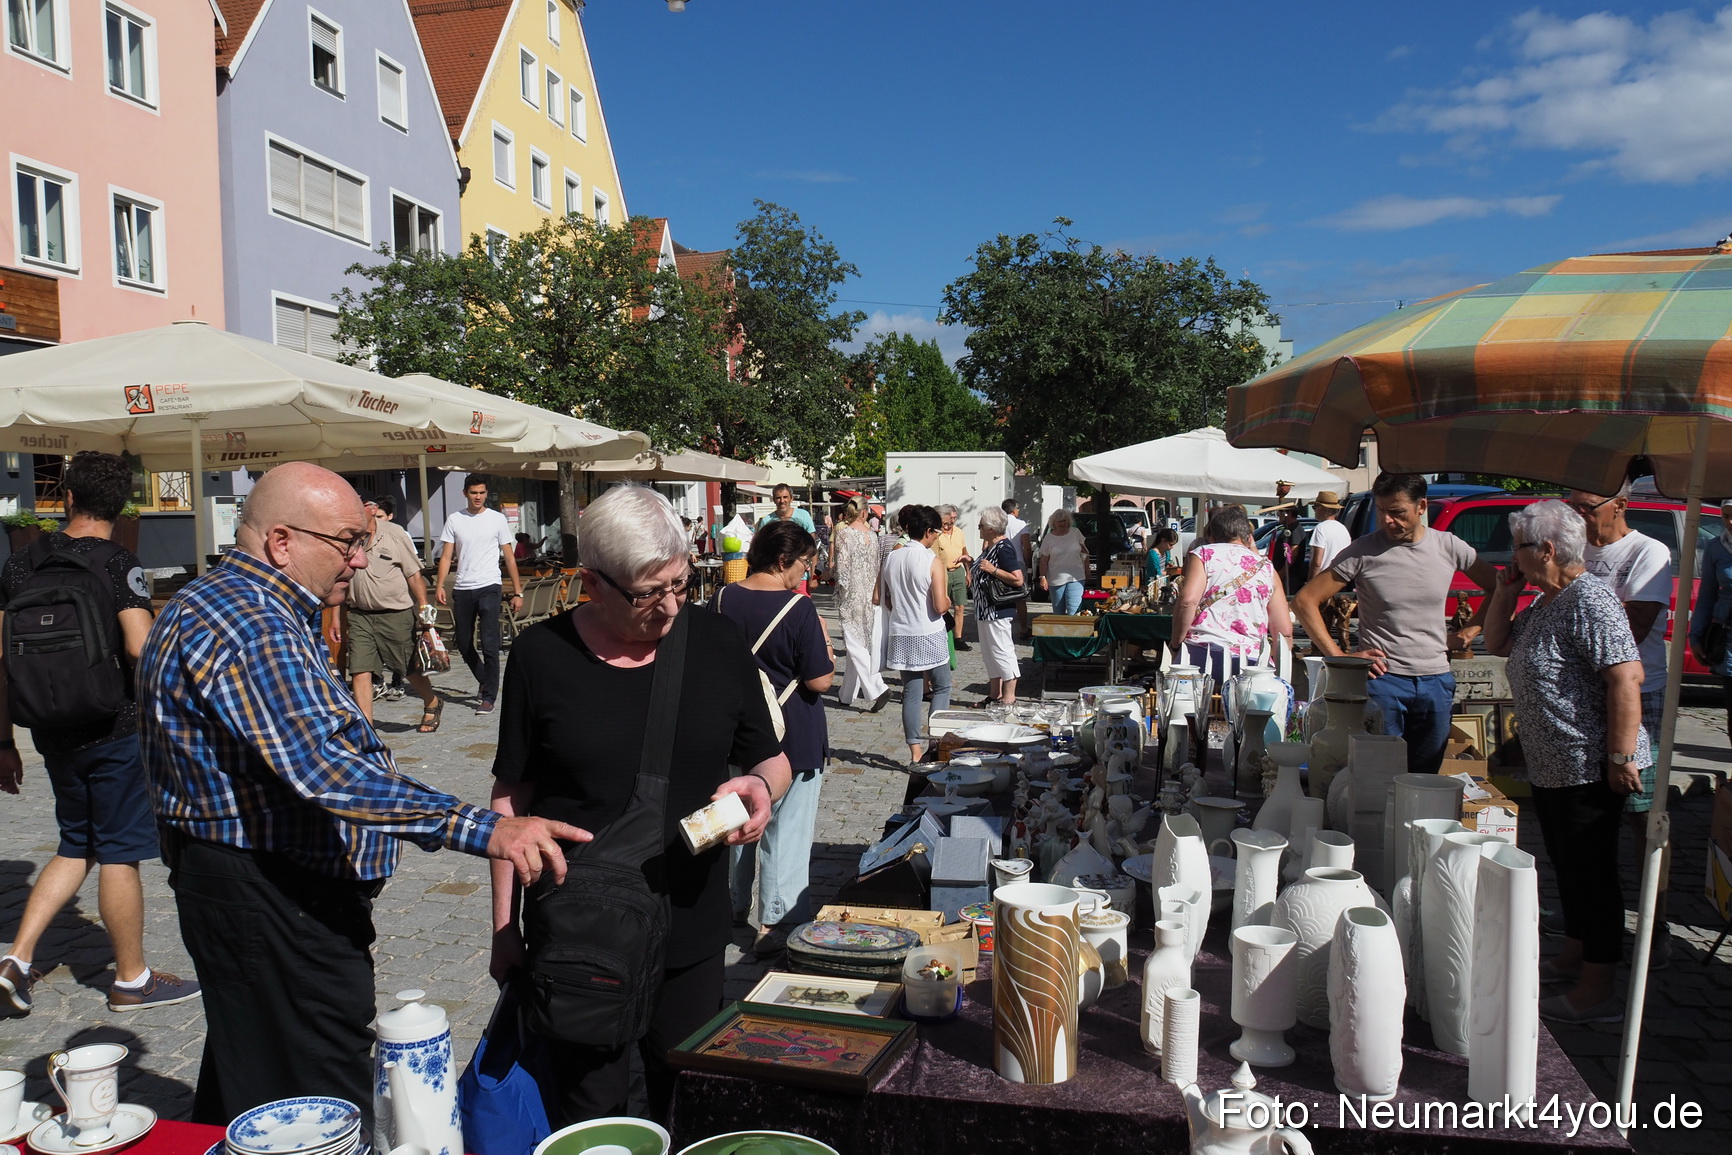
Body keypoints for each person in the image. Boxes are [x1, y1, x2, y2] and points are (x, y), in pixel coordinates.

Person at [138, 461, 584, 1127]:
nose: (359, 555)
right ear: (281, 541)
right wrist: (485, 829)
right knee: (319, 1093)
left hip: (259, 889)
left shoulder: (251, 605)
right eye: (345, 540)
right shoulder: (248, 620)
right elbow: (328, 770)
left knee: (255, 1066)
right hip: (270, 897)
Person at [491, 483, 789, 1124]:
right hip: (578, 935)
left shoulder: (715, 641)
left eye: (680, 583)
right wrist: (503, 927)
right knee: (592, 1111)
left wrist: (762, 790)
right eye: (647, 593)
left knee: (689, 1098)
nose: (670, 606)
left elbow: (772, 757)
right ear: (592, 584)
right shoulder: (542, 657)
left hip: (692, 923)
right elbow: (512, 799)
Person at [0, 451, 200, 1016]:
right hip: (115, 728)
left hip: (50, 728)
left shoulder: (19, 565)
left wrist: (2, 742)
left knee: (76, 842)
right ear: (123, 505)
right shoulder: (118, 562)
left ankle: (15, 959)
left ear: (67, 497)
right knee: (119, 852)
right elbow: (140, 646)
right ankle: (132, 979)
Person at [1483, 500, 1648, 1024]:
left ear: (1546, 550)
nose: (1513, 556)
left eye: (1518, 547)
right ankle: (1575, 952)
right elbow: (1497, 642)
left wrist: (1621, 755)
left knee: (1592, 872)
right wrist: (1505, 594)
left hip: (1588, 764)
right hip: (1553, 763)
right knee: (1567, 865)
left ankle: (1596, 987)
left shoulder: (1590, 600)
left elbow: (1626, 677)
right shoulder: (1549, 599)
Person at [1293, 473, 1499, 774]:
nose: (1388, 520)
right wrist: (1340, 658)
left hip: (1436, 681)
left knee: (1424, 778)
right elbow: (1304, 601)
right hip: (1383, 683)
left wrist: (1471, 630)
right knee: (1378, 779)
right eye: (1381, 510)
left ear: (1421, 507)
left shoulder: (1448, 546)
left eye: (1397, 512)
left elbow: (1498, 585)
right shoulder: (1363, 550)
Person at [713, 521, 834, 957]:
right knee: (787, 831)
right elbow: (820, 681)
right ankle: (775, 921)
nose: (806, 572)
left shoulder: (723, 597)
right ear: (784, 560)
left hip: (735, 728)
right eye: (805, 563)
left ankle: (731, 905)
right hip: (792, 731)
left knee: (737, 819)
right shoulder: (799, 608)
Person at [1571, 483, 1676, 966]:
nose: (1579, 516)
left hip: (1639, 693)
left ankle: (1654, 915)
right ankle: (1589, 915)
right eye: (1571, 508)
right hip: (1582, 695)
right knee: (1587, 813)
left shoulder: (1647, 551)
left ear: (1620, 505)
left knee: (1640, 813)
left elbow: (1632, 626)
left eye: (1586, 508)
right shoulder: (1575, 547)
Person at [346, 495, 440, 732]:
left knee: (406, 667)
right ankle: (366, 728)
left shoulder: (394, 533)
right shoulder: (347, 535)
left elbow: (413, 573)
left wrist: (422, 606)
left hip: (394, 613)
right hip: (359, 614)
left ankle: (432, 702)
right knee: (360, 669)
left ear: (372, 508)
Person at [435, 474, 525, 713]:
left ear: (487, 494)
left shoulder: (496, 519)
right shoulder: (455, 519)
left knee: (489, 642)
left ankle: (489, 697)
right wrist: (440, 584)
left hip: (489, 586)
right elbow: (446, 556)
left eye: (482, 492)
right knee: (463, 642)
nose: (478, 497)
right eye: (474, 492)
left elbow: (508, 556)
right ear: (465, 493)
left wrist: (518, 591)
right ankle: (485, 679)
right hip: (463, 587)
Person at [1170, 505, 1291, 683]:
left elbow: (1188, 601)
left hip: (1200, 655)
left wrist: (1175, 645)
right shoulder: (1266, 567)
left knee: (1192, 708)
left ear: (1211, 536)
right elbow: (1284, 632)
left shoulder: (1204, 554)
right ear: (1248, 537)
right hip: (1253, 663)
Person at [878, 505, 951, 764]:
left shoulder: (893, 557)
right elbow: (940, 606)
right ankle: (936, 742)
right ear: (928, 531)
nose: (937, 538)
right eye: (937, 533)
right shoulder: (932, 560)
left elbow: (884, 599)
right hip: (928, 630)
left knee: (911, 692)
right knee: (942, 686)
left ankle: (915, 752)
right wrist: (949, 601)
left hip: (901, 631)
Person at [832, 500, 888, 710]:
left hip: (852, 594)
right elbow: (876, 567)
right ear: (864, 513)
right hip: (869, 593)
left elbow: (843, 568)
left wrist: (839, 589)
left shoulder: (844, 534)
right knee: (860, 642)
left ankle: (877, 687)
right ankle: (846, 694)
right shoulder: (873, 536)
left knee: (854, 643)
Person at [1689, 498, 1732, 743]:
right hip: (1727, 639)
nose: (1730, 522)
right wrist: (1695, 636)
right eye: (1725, 516)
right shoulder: (1716, 547)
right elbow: (1706, 595)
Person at [974, 507, 1025, 706]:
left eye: (981, 526)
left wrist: (993, 569)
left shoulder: (1004, 547)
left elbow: (1017, 579)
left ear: (991, 529)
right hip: (984, 610)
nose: (979, 528)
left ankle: (1009, 696)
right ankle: (994, 694)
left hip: (997, 610)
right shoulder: (990, 546)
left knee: (1003, 651)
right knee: (989, 653)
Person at [933, 505, 973, 652]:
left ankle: (958, 638)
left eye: (954, 519)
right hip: (943, 572)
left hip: (957, 571)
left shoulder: (959, 532)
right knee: (942, 605)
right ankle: (944, 635)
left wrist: (968, 572)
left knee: (960, 606)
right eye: (950, 519)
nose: (952, 523)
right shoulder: (937, 534)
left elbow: (964, 551)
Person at [1038, 509, 1089, 615]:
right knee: (1058, 612)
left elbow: (1085, 552)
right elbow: (1043, 560)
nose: (1062, 524)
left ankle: (1074, 631)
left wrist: (1087, 569)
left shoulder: (1075, 532)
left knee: (1074, 610)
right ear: (1054, 523)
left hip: (1076, 577)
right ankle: (1060, 631)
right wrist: (1042, 577)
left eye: (1064, 521)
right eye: (1060, 521)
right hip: (1056, 579)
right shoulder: (1049, 538)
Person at [1268, 502, 1312, 596]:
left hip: (1290, 577)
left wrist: (1282, 573)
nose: (1278, 515)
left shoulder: (1295, 530)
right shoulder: (1288, 528)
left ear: (1289, 514)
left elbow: (1293, 553)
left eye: (1280, 512)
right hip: (1285, 575)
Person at [1002, 499, 1032, 638]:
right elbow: (1026, 546)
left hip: (1000, 563)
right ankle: (1023, 628)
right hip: (1017, 562)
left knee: (1002, 597)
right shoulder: (1021, 524)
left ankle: (1003, 629)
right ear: (1014, 510)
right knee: (1021, 598)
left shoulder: (999, 523)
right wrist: (1028, 563)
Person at [1307, 490, 1350, 576]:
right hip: (1341, 579)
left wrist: (1310, 583)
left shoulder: (1321, 528)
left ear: (1323, 509)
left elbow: (1316, 563)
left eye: (1315, 507)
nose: (1314, 511)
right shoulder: (1343, 529)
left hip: (1323, 579)